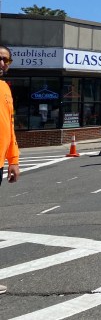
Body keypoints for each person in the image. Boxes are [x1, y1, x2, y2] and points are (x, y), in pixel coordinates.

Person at [0, 46, 21, 295]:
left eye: (6, 59)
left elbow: (10, 126)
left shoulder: (5, 89)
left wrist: (13, 159)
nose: (2, 62)